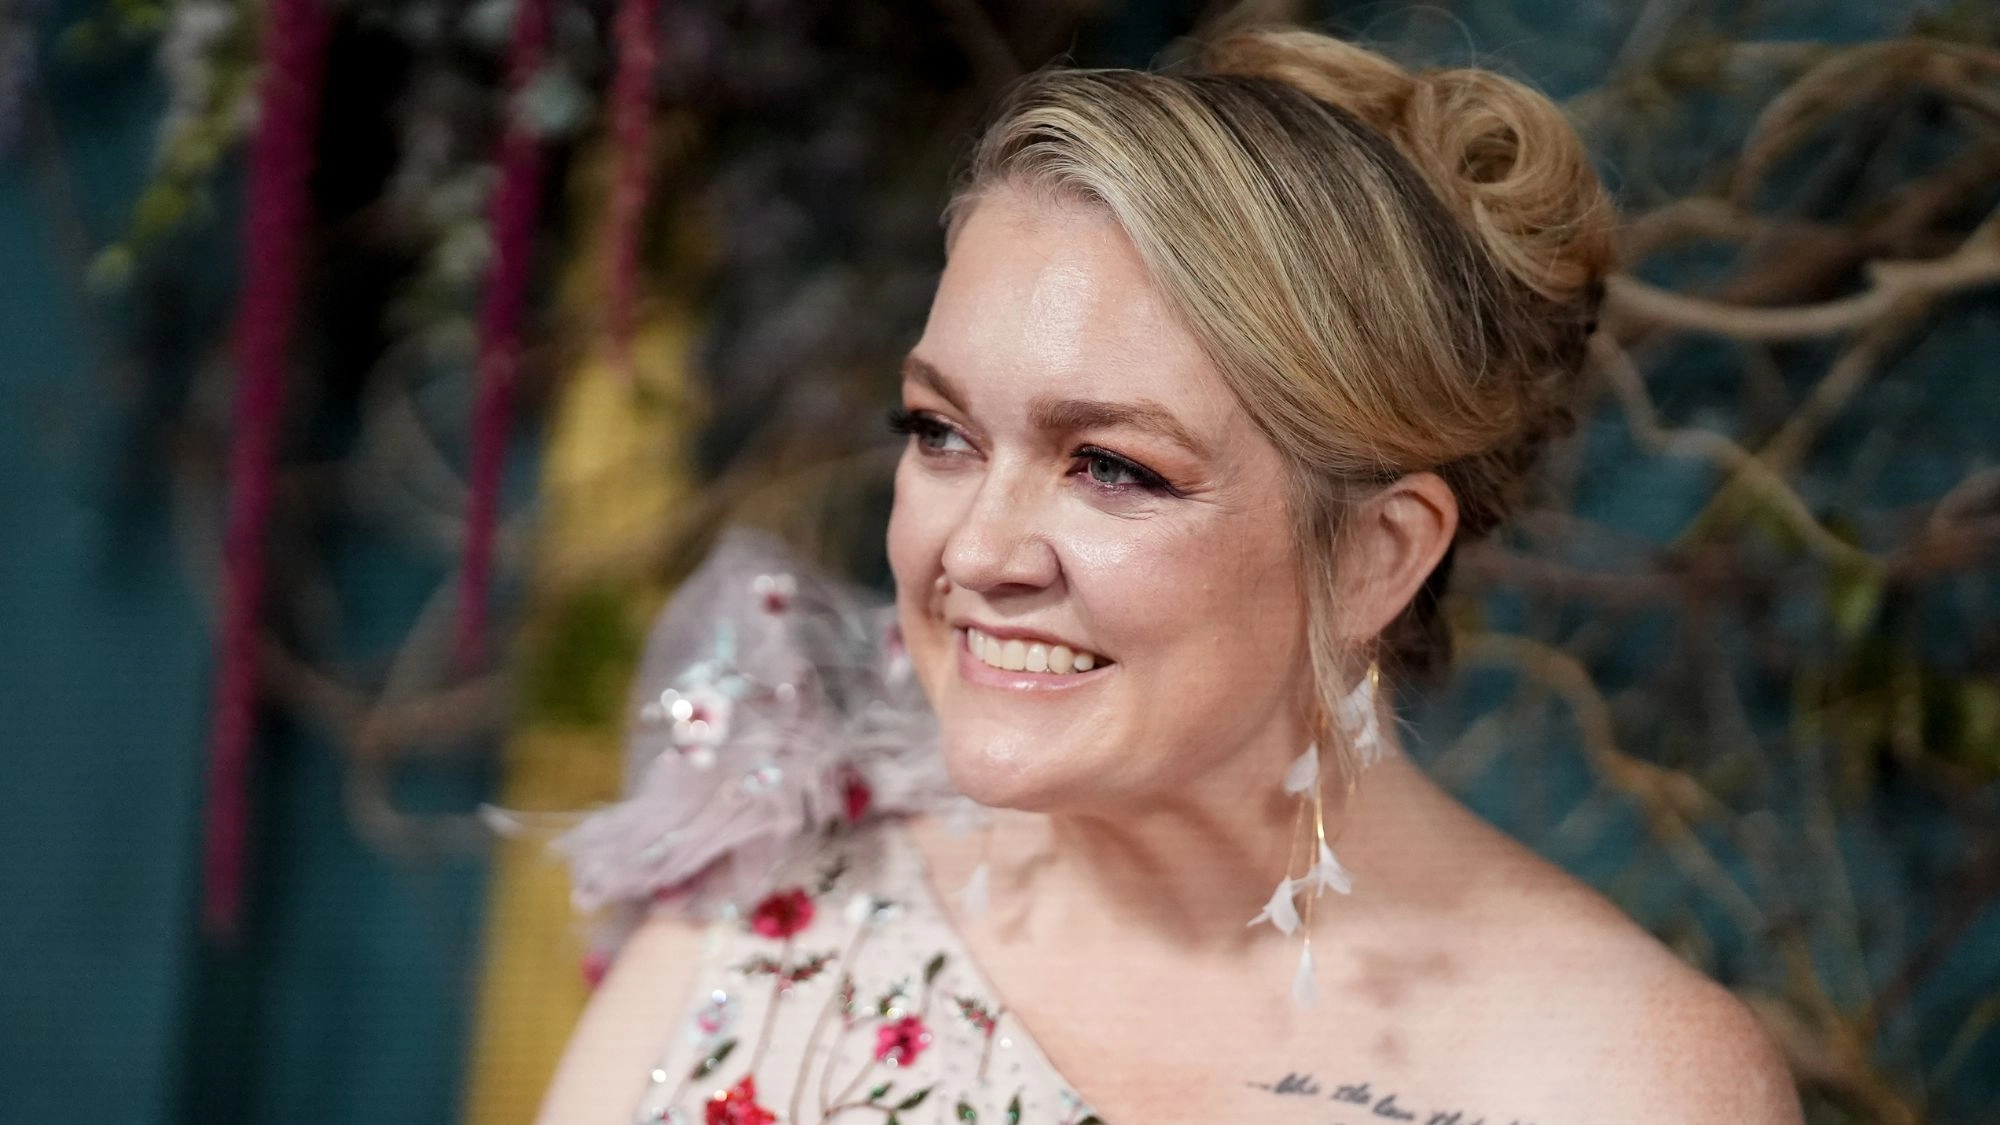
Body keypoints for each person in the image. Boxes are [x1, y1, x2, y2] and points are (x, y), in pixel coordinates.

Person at [532, 25, 1804, 1125]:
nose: (973, 553)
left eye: (1111, 467)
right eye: (940, 433)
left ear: (1376, 554)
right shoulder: (761, 929)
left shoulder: (1615, 1079)